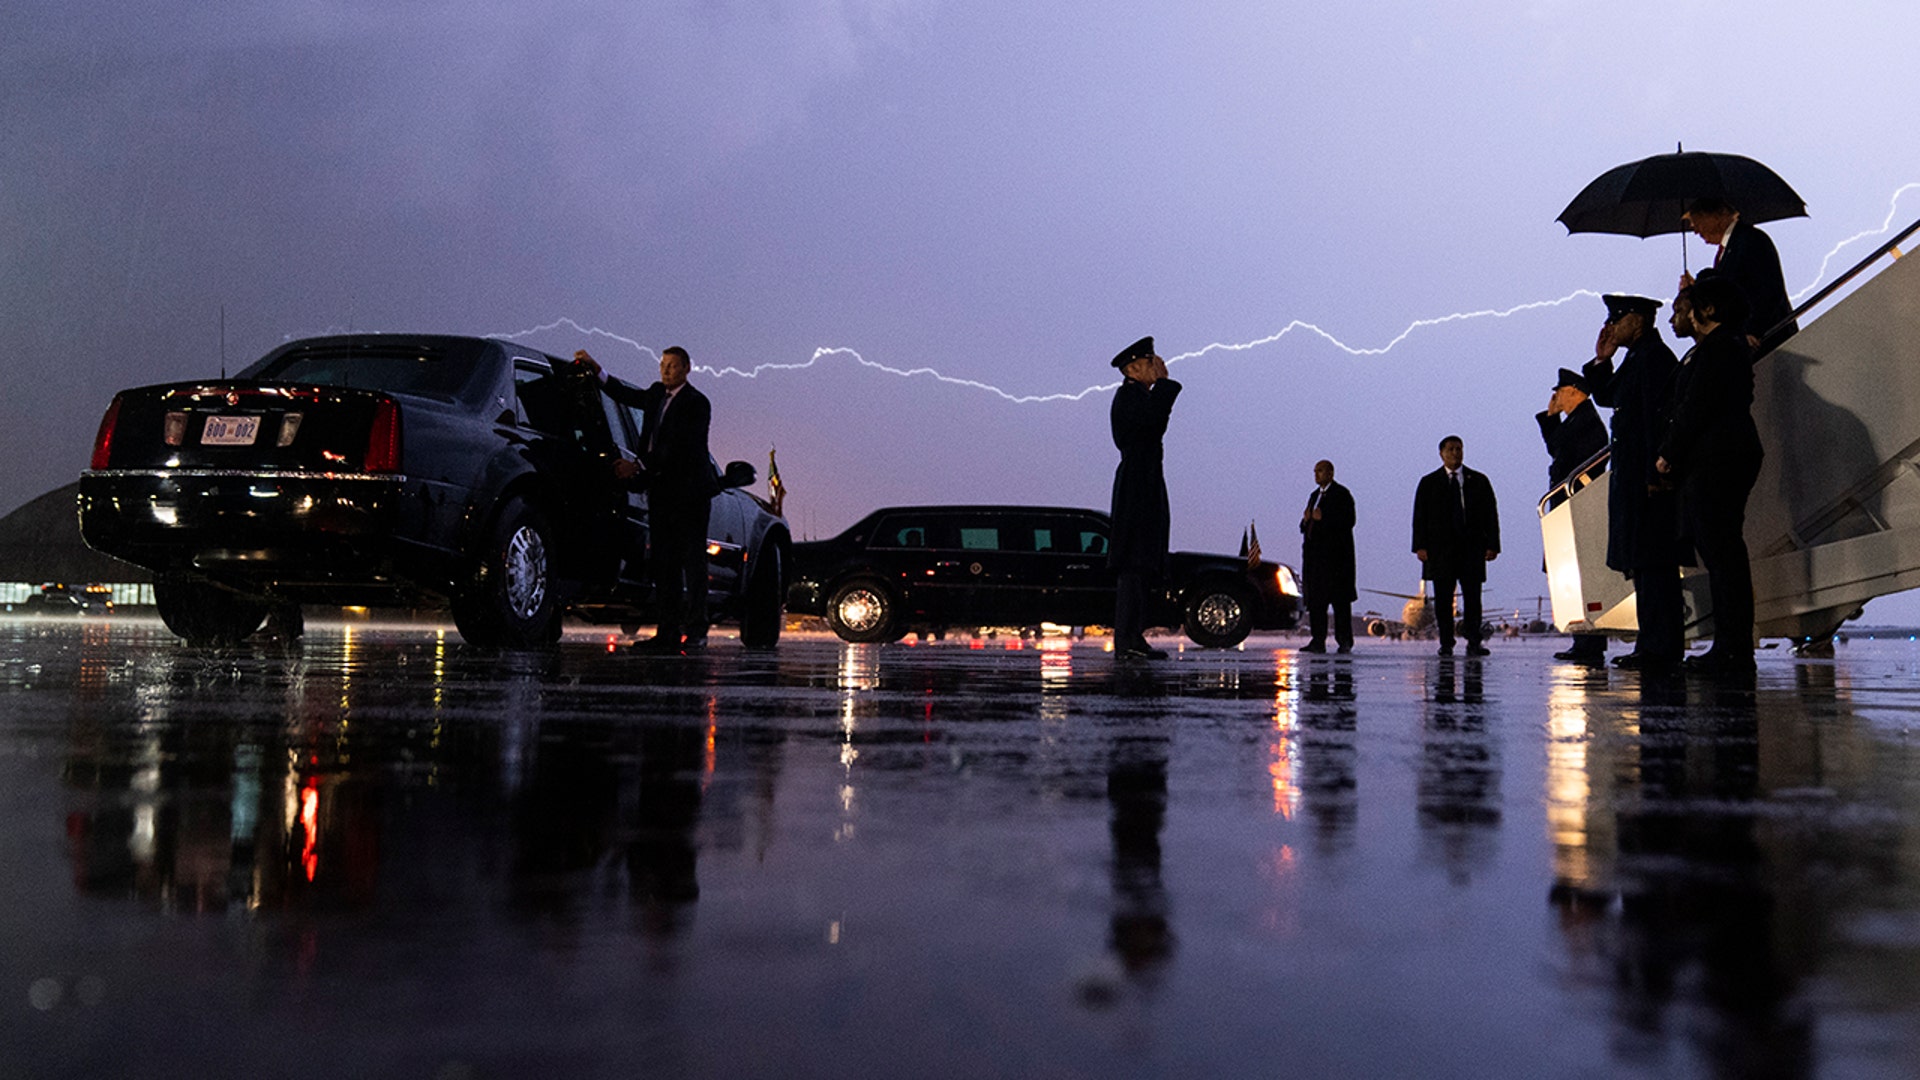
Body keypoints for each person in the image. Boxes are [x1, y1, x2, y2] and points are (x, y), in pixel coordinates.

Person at [577, 346, 719, 652]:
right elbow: (625, 395)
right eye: (663, 365)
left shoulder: (697, 404)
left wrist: (637, 466)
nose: (665, 371)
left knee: (692, 565)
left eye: (672, 366)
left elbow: (679, 448)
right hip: (662, 493)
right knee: (664, 564)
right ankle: (667, 633)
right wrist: (596, 368)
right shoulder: (656, 395)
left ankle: (696, 630)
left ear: (686, 369)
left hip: (690, 495)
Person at [1656, 275, 1763, 672]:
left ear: (1709, 310)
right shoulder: (1725, 346)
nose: (1679, 315)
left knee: (1722, 554)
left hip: (1718, 458)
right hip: (1726, 454)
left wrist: (1668, 454)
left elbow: (1696, 406)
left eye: (1687, 307)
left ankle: (1732, 649)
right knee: (1723, 553)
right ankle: (1732, 645)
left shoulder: (1718, 349)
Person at [1584, 293, 1684, 670]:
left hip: (1647, 478)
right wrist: (1601, 361)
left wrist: (1656, 475)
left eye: (1619, 319)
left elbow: (1655, 422)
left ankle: (1662, 646)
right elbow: (1611, 396)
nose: (1612, 326)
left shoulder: (1654, 358)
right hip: (1633, 476)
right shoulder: (1636, 358)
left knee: (1655, 563)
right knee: (1643, 564)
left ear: (1639, 321)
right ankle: (1651, 642)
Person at [1108, 335, 1181, 661]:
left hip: (1144, 483)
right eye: (1153, 363)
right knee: (1133, 566)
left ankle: (1133, 636)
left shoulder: (1136, 396)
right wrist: (1165, 386)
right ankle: (1127, 639)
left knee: (1142, 566)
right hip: (1137, 486)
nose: (1159, 367)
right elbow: (1153, 423)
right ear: (1135, 367)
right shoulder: (1129, 397)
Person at [1536, 367, 1609, 663]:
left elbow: (1564, 455)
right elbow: (1558, 451)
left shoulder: (1586, 422)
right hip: (1569, 507)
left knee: (1584, 576)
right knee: (1574, 577)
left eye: (1561, 392)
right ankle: (1583, 640)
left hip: (1579, 506)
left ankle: (1590, 643)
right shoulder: (1577, 421)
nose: (1556, 397)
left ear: (1576, 392)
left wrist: (1552, 420)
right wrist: (1551, 418)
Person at [1411, 436, 1500, 656]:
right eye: (1450, 449)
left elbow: (1491, 515)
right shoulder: (1429, 483)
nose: (1455, 453)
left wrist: (1492, 545)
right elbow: (1419, 517)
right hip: (1440, 552)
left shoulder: (1478, 481)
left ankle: (1473, 641)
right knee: (1442, 600)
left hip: (1471, 549)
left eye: (1459, 449)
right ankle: (1446, 643)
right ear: (1441, 453)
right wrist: (1419, 546)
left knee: (1472, 599)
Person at [1679, 197, 1796, 353]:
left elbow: (1768, 290)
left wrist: (1751, 331)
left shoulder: (1751, 239)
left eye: (1697, 220)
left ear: (1717, 215)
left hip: (1768, 341)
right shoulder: (1727, 250)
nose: (1694, 230)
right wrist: (1695, 291)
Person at [1298, 459, 1357, 654]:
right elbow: (1308, 525)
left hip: (1336, 561)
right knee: (1317, 603)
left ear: (1330, 473)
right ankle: (1317, 640)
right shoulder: (1314, 496)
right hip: (1315, 562)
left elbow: (1349, 520)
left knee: (1340, 603)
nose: (1316, 475)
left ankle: (1344, 641)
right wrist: (1306, 521)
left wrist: (1324, 519)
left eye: (1320, 471)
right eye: (1315, 471)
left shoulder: (1341, 494)